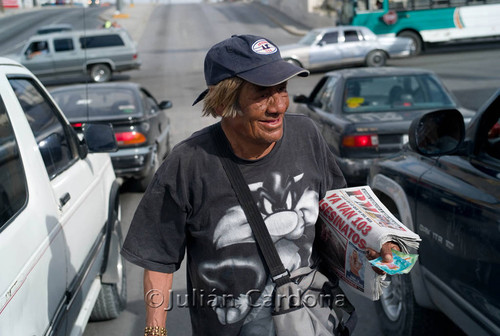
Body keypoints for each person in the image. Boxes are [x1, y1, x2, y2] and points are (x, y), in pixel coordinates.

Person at [121, 34, 400, 336]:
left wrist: (375, 243)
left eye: (282, 89)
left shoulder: (306, 135)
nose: (278, 106)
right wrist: (155, 331)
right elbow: (158, 259)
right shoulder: (187, 163)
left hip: (311, 324)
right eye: (262, 93)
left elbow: (336, 213)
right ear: (224, 103)